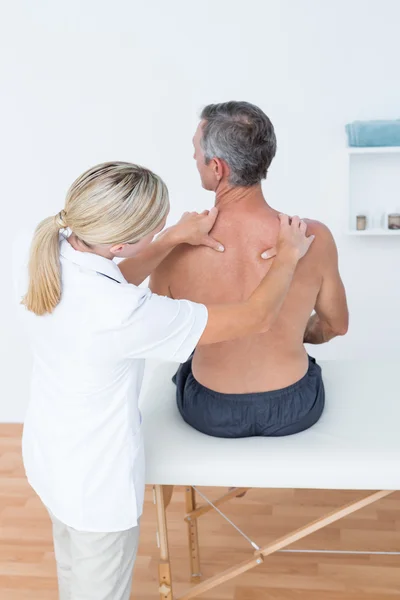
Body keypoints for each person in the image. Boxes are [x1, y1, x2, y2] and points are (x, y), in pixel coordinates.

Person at [14, 161, 313, 600]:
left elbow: (116, 277)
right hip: (96, 485)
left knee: (71, 570)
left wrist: (173, 236)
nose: (161, 232)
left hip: (50, 456)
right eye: (154, 228)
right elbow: (256, 317)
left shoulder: (44, 247)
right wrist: (288, 254)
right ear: (119, 242)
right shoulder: (122, 314)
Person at [144, 102, 349, 439]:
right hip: (294, 404)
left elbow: (161, 334)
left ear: (217, 167)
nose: (194, 159)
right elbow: (336, 324)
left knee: (186, 368)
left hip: (210, 410)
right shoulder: (313, 237)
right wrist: (290, 333)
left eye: (196, 152)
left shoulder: (176, 246)